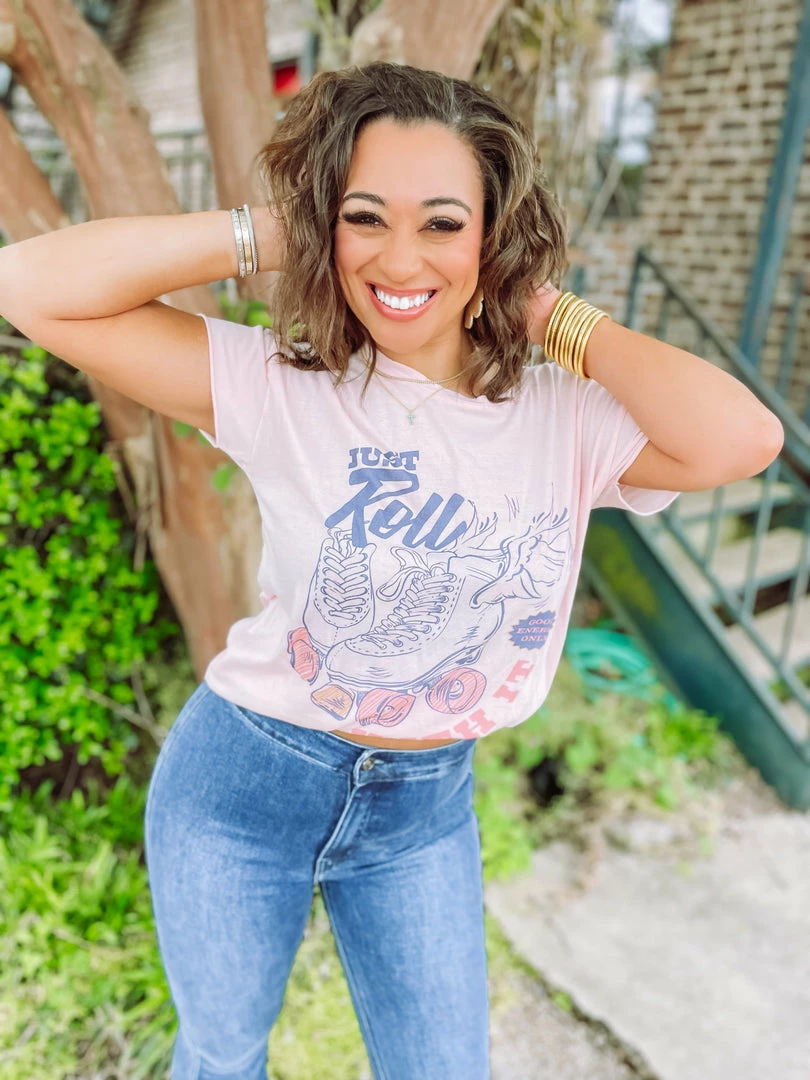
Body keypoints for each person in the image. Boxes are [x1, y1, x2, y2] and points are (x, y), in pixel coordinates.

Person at [0, 62, 683, 1080]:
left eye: (444, 223)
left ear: (494, 234)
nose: (400, 256)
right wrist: (278, 233)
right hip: (242, 784)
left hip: (422, 813)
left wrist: (548, 315)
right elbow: (27, 286)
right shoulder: (284, 388)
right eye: (366, 217)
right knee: (224, 1056)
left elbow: (742, 440)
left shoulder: (563, 420)